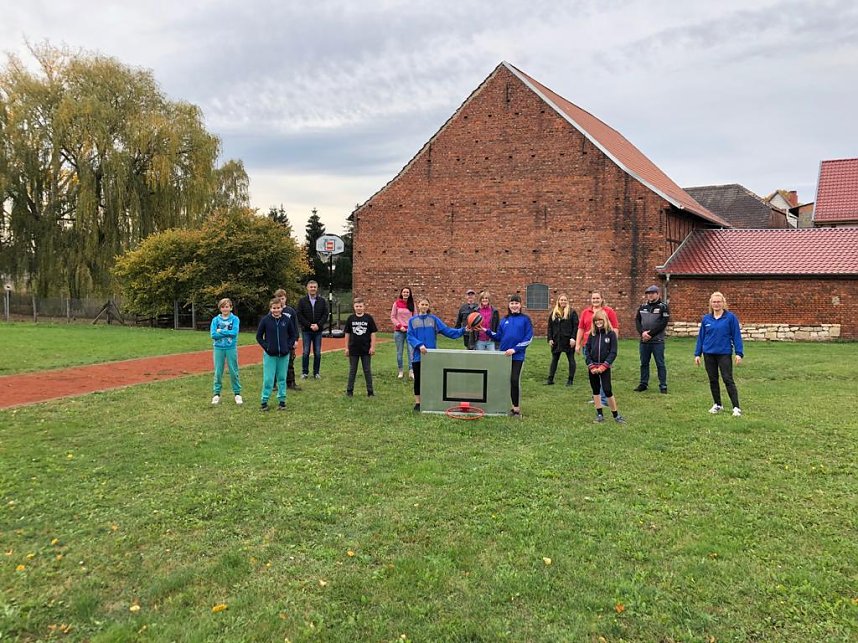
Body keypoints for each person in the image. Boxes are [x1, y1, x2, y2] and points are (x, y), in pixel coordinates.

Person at [406, 297, 466, 412]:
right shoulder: (412, 321)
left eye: (426, 304)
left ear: (428, 306)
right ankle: (418, 403)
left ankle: (431, 400)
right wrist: (419, 345)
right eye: (422, 304)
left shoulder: (433, 320)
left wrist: (463, 330)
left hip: (431, 356)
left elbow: (447, 331)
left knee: (432, 379)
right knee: (418, 380)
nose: (424, 306)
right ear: (418, 305)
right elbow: (410, 336)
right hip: (418, 356)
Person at [694, 291, 744, 417]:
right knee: (713, 379)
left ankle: (736, 407)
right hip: (708, 354)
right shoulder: (706, 319)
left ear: (723, 303)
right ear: (711, 304)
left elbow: (736, 336)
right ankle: (717, 404)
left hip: (724, 353)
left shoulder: (730, 317)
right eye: (714, 302)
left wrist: (739, 353)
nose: (716, 304)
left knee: (728, 379)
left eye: (718, 302)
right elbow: (701, 337)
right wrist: (697, 354)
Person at [485, 294, 533, 418]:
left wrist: (515, 349)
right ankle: (499, 406)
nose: (514, 305)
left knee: (514, 380)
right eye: (512, 303)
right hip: (504, 356)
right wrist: (486, 331)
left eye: (516, 303)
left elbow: (528, 338)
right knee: (501, 381)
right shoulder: (504, 320)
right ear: (508, 305)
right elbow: (499, 336)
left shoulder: (525, 319)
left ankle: (516, 409)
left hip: (517, 356)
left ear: (520, 305)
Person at [575, 291, 619, 404]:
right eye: (593, 298)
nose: (595, 300)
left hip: (605, 347)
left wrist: (613, 344)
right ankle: (597, 398)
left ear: (602, 299)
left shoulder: (609, 311)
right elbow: (581, 328)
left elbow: (615, 328)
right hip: (589, 346)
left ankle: (604, 399)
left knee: (603, 373)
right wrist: (577, 344)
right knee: (593, 371)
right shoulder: (586, 312)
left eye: (597, 298)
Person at [582, 310, 626, 424]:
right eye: (596, 321)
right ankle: (600, 414)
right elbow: (586, 350)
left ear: (605, 320)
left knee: (607, 390)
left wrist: (604, 366)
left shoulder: (611, 334)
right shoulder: (592, 334)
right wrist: (591, 365)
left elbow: (613, 352)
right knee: (595, 390)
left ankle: (616, 415)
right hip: (593, 367)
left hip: (604, 367)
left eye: (600, 320)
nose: (598, 323)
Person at [256, 297, 298, 411]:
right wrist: (267, 347)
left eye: (278, 308)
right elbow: (259, 336)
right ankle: (264, 401)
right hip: (270, 355)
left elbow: (293, 335)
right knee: (268, 379)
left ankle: (282, 401)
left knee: (282, 378)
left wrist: (288, 347)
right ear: (270, 309)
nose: (276, 310)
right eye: (274, 308)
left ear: (281, 308)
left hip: (284, 355)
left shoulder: (286, 320)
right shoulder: (265, 320)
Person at [634, 284, 670, 394]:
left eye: (652, 293)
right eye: (648, 294)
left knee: (660, 363)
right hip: (644, 341)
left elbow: (663, 323)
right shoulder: (642, 307)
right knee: (644, 363)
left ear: (658, 294)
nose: (650, 295)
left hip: (657, 341)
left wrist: (650, 334)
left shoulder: (663, 307)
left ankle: (663, 385)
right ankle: (643, 383)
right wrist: (642, 333)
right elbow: (637, 321)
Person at [209, 298, 242, 405]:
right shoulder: (215, 320)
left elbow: (234, 333)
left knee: (233, 370)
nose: (225, 309)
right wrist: (226, 332)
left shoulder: (235, 319)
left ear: (231, 307)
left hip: (231, 347)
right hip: (218, 348)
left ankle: (237, 393)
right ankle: (216, 394)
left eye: (227, 306)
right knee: (218, 371)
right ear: (220, 308)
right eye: (223, 307)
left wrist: (221, 331)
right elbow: (213, 335)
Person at [344, 297, 378, 397]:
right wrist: (346, 348)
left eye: (360, 306)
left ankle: (370, 391)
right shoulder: (351, 318)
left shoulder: (368, 318)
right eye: (357, 306)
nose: (359, 308)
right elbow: (347, 334)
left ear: (364, 307)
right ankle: (349, 391)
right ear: (354, 307)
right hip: (353, 349)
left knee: (367, 370)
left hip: (366, 349)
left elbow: (373, 333)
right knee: (352, 370)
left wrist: (372, 347)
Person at [296, 280, 328, 380]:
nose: (313, 289)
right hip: (306, 330)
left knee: (317, 352)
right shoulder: (302, 301)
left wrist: (318, 325)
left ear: (317, 288)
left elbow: (325, 314)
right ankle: (305, 372)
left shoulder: (322, 301)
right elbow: (299, 315)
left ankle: (316, 372)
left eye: (314, 287)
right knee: (306, 352)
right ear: (307, 288)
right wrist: (309, 325)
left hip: (318, 331)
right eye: (311, 287)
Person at [546, 293, 578, 386]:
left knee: (571, 359)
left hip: (568, 340)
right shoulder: (554, 313)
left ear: (567, 301)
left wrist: (573, 338)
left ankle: (570, 380)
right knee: (554, 359)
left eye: (565, 300)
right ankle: (550, 379)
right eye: (561, 300)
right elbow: (550, 327)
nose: (563, 301)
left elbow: (576, 326)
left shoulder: (572, 312)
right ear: (558, 301)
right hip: (557, 340)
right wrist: (550, 339)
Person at [274, 288, 300, 391]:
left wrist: (296, 339)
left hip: (289, 340)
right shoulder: (273, 310)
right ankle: (273, 384)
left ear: (286, 298)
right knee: (275, 362)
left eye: (282, 298)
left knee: (290, 362)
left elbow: (295, 326)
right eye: (279, 298)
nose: (281, 300)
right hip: (277, 340)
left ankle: (291, 382)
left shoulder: (291, 311)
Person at [390, 286, 415, 379]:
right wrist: (399, 326)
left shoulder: (412, 304)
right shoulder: (396, 304)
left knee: (411, 352)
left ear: (409, 294)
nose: (406, 294)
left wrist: (411, 328)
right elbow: (393, 317)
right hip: (399, 331)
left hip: (410, 332)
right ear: (401, 293)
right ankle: (400, 370)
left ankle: (411, 371)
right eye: (404, 292)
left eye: (407, 292)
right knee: (399, 352)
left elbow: (415, 317)